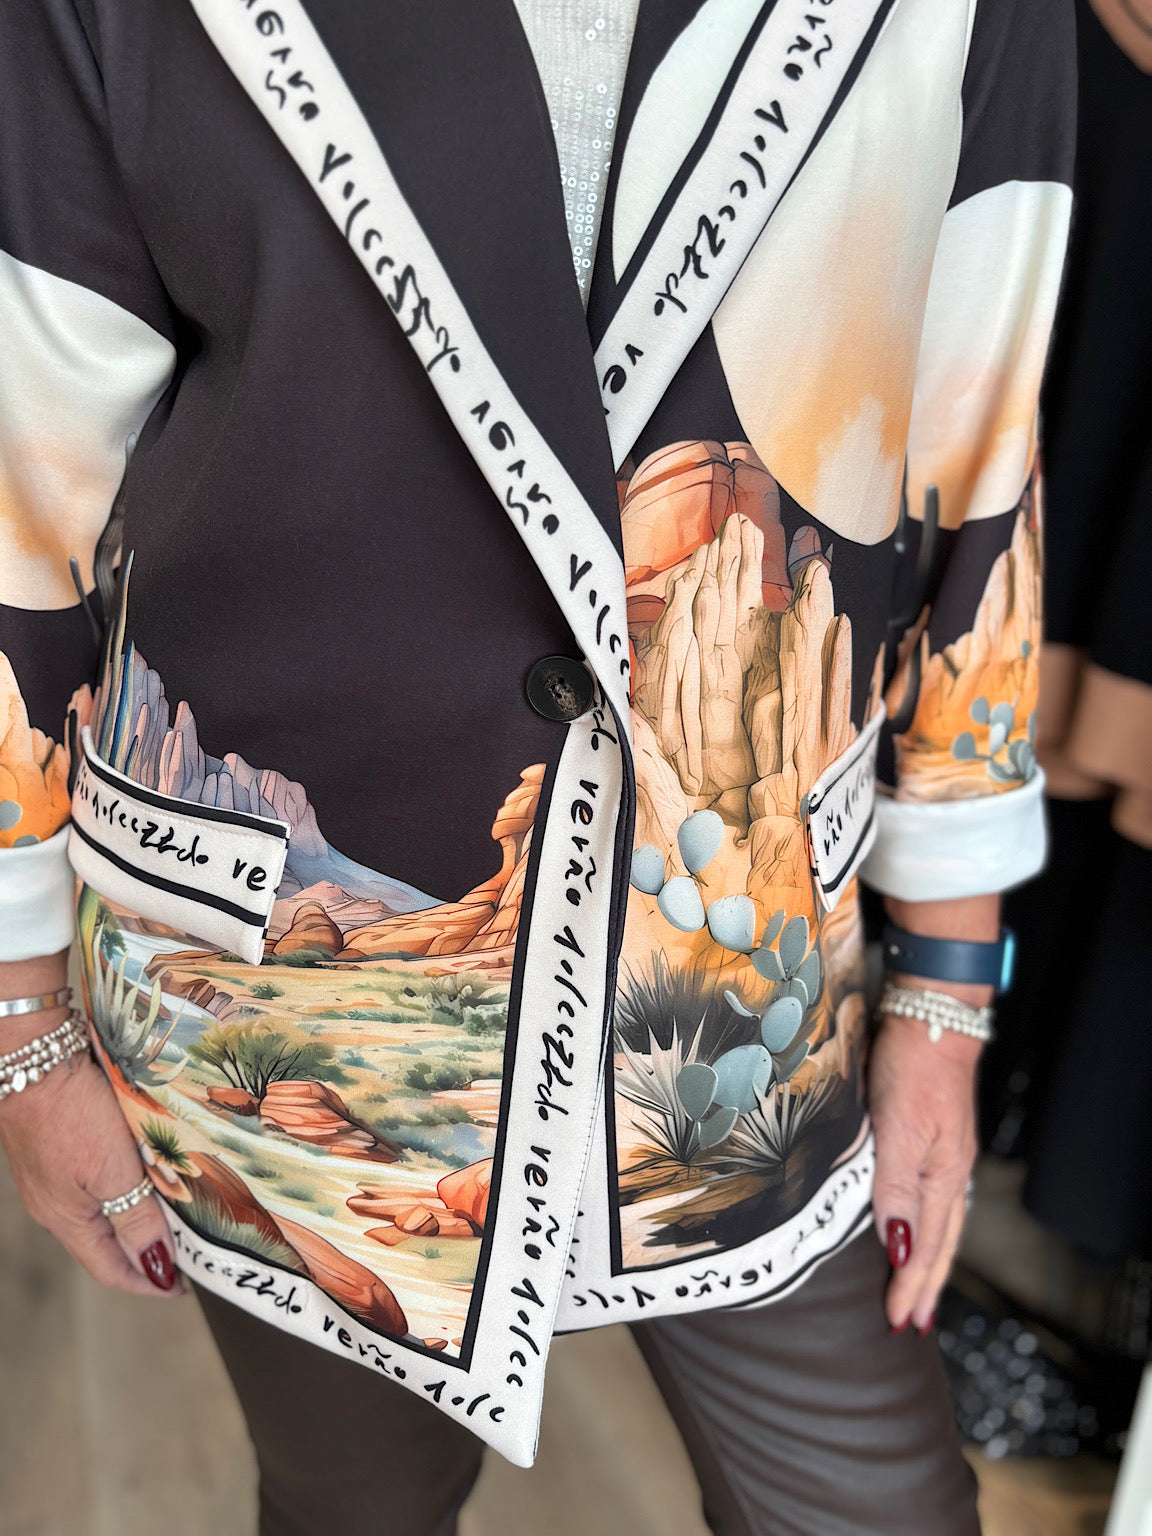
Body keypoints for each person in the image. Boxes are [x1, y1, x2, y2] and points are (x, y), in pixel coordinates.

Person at [0, 0, 1073, 1531]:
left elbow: (978, 455)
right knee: (353, 1505)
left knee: (874, 1502)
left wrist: (949, 997)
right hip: (263, 988)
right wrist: (20, 1021)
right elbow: (21, 488)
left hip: (749, 989)